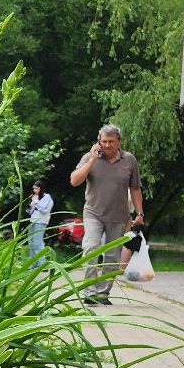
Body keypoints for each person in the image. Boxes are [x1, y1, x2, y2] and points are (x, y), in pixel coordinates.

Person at [68, 124, 145, 304]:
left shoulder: (129, 160)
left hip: (118, 216)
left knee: (112, 256)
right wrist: (92, 160)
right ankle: (89, 292)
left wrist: (140, 213)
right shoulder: (89, 157)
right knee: (91, 248)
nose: (107, 145)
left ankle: (103, 294)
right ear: (99, 142)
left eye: (111, 141)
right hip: (93, 213)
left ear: (119, 142)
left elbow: (135, 188)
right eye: (104, 141)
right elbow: (74, 181)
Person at [25, 180, 53, 259]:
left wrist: (36, 201)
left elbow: (44, 210)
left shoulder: (47, 197)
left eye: (36, 188)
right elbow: (30, 212)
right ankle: (32, 263)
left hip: (41, 221)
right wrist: (30, 205)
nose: (34, 190)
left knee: (37, 243)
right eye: (33, 188)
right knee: (31, 243)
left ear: (41, 188)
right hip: (32, 220)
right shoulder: (34, 197)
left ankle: (41, 263)